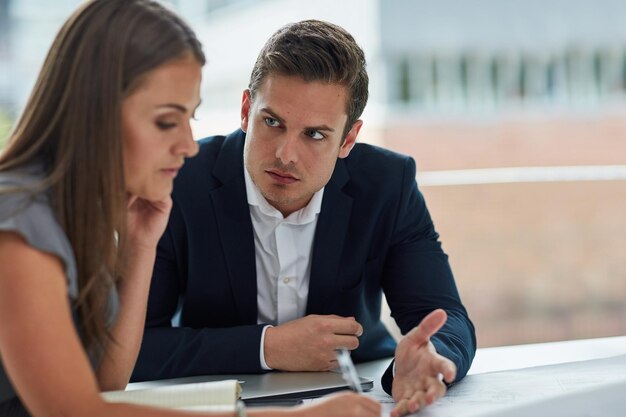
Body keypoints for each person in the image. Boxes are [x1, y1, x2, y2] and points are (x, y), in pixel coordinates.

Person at [0, 2, 380, 417]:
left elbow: (106, 383)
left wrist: (141, 245)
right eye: (167, 122)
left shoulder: (65, 214)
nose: (188, 145)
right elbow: (74, 411)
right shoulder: (18, 225)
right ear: (95, 110)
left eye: (190, 118)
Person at [134, 19, 476, 416]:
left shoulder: (387, 184)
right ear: (246, 111)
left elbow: (447, 318)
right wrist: (268, 346)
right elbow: (134, 347)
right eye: (272, 122)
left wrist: (429, 359)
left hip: (357, 392)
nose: (285, 154)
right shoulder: (179, 180)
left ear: (347, 139)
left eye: (314, 135)